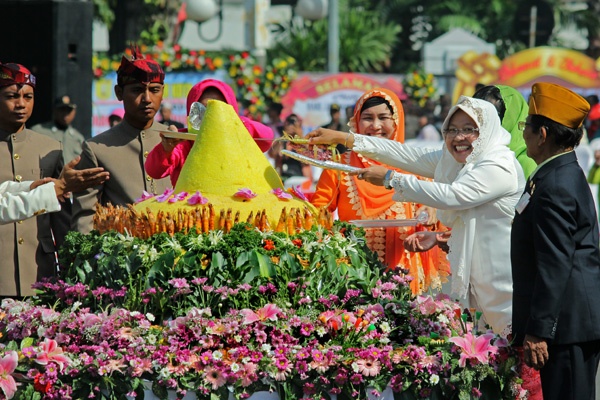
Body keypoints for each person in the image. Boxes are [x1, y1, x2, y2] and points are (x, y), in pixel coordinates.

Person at [307, 96, 524, 335]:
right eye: (452, 129)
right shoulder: (456, 162)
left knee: (513, 348)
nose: (459, 137)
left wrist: (391, 179)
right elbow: (406, 156)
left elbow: (452, 195)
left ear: (488, 130)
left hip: (503, 284)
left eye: (469, 130)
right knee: (486, 348)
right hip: (477, 281)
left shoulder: (497, 165)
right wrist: (344, 137)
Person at [310, 88, 449, 295]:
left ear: (397, 121)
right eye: (367, 118)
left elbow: (442, 213)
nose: (375, 126)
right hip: (352, 274)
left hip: (405, 276)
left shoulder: (416, 166)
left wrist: (433, 211)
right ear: (356, 122)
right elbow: (318, 213)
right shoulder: (339, 167)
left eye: (383, 117)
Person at [511, 82, 600, 400]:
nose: (522, 135)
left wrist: (539, 331)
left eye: (526, 127)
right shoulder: (555, 174)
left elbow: (554, 262)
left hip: (566, 325)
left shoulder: (556, 184)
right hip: (567, 321)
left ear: (543, 134)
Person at [0, 62, 108, 297]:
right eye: (11, 96)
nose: (21, 104)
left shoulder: (49, 147)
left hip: (39, 270)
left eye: (28, 97)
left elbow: (61, 219)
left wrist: (70, 268)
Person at [72, 47, 171, 234]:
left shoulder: (176, 141)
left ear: (162, 93)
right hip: (121, 257)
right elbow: (85, 217)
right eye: (137, 90)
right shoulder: (97, 149)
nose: (147, 98)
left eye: (154, 90)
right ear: (119, 93)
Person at [145, 79, 273, 186]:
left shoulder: (239, 137)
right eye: (204, 108)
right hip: (193, 213)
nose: (212, 114)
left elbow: (267, 139)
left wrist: (236, 123)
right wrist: (166, 150)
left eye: (219, 107)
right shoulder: (183, 142)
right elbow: (153, 171)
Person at [473, 85, 537, 178]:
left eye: (492, 117)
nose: (481, 125)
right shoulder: (467, 154)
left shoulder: (528, 162)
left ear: (512, 117)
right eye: (476, 117)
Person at [30, 95, 86, 163]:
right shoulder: (39, 131)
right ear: (55, 110)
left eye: (68, 110)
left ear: (74, 112)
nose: (65, 114)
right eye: (62, 109)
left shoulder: (78, 138)